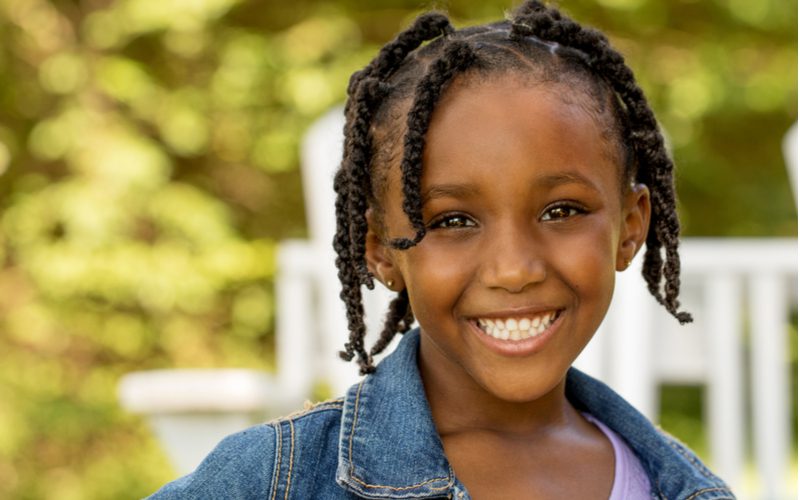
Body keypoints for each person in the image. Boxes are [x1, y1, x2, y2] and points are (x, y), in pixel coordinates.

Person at [150, 1, 734, 498]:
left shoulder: (675, 485)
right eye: (453, 220)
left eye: (561, 212)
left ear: (631, 227)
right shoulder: (279, 479)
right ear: (380, 250)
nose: (514, 269)